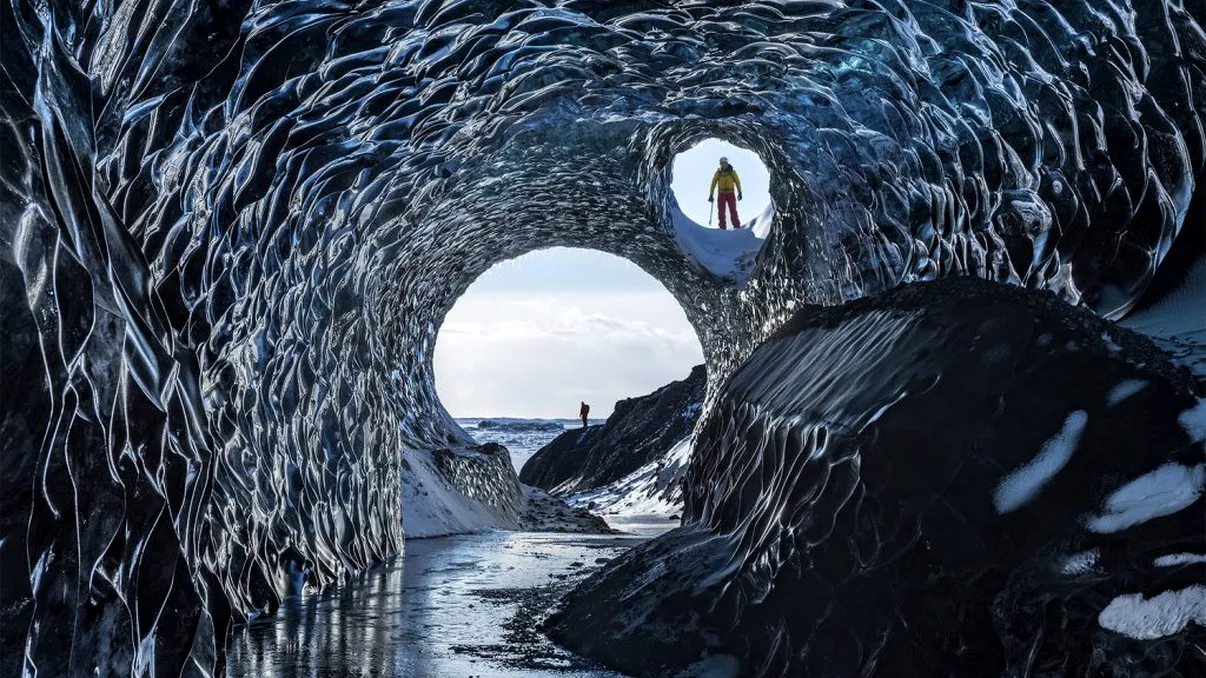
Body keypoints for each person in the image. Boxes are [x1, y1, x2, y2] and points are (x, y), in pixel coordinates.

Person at [708, 156, 743, 229]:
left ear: (727, 163)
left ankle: (737, 227)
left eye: (724, 163)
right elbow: (713, 184)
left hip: (730, 193)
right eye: (721, 164)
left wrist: (740, 192)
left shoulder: (732, 172)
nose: (723, 165)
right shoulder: (718, 173)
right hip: (721, 194)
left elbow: (737, 182)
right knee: (721, 211)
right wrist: (711, 194)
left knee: (733, 211)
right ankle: (722, 227)